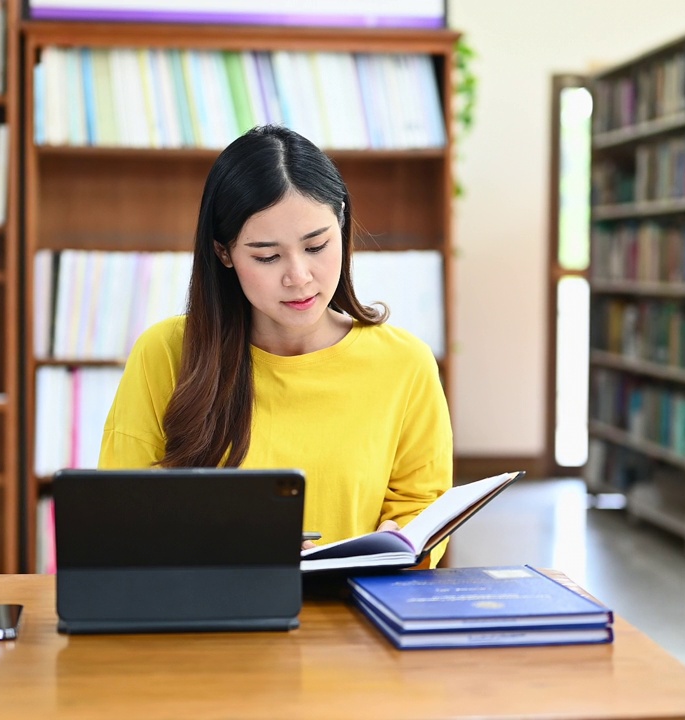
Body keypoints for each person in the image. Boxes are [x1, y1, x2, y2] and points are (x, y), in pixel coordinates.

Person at [98, 125, 452, 563]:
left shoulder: (405, 364)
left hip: (352, 619)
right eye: (267, 256)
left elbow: (423, 515)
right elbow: (117, 520)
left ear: (341, 223)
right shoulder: (165, 354)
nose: (298, 276)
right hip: (208, 620)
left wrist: (398, 545)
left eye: (317, 245)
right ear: (224, 253)